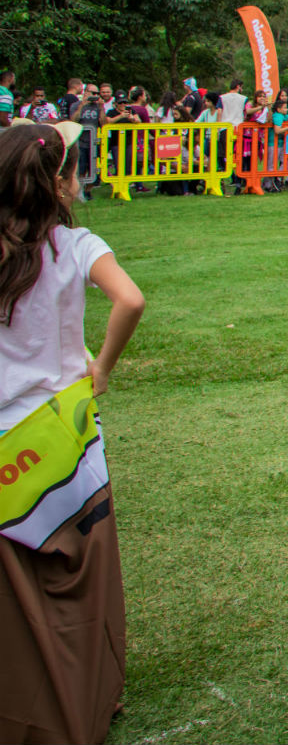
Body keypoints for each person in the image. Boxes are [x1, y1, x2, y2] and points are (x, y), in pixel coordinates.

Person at [0, 122, 145, 743]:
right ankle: (91, 693)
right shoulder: (77, 243)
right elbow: (130, 300)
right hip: (67, 433)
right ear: (60, 184)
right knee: (83, 575)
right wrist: (103, 368)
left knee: (16, 595)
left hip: (6, 439)